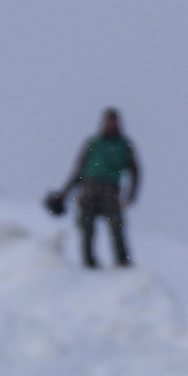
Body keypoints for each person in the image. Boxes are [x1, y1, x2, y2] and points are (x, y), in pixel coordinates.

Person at [49, 108, 141, 270]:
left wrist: (131, 195)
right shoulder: (93, 143)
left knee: (116, 224)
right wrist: (63, 194)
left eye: (114, 122)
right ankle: (88, 262)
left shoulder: (124, 145)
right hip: (89, 188)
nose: (111, 125)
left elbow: (135, 171)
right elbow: (78, 170)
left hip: (110, 190)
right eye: (108, 121)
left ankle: (122, 261)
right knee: (86, 225)